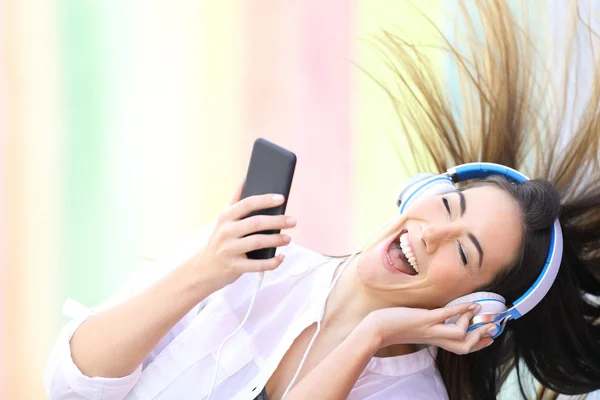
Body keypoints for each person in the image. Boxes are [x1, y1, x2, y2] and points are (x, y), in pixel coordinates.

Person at [44, 2, 600, 399]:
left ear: (475, 311)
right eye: (449, 209)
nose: (432, 234)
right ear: (423, 189)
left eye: (464, 253)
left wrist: (372, 335)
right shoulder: (239, 265)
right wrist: (203, 269)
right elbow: (70, 385)